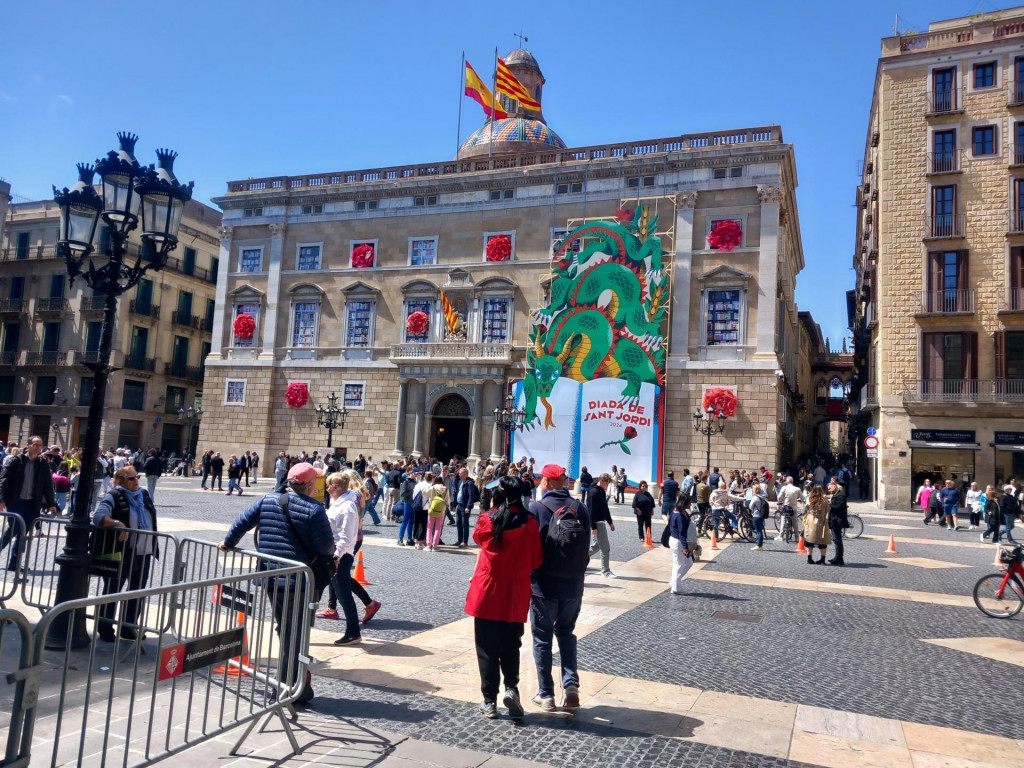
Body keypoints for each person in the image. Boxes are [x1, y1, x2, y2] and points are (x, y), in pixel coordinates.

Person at [218, 462, 333, 705]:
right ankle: (284, 687)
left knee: (287, 627)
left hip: (271, 577)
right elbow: (326, 546)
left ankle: (296, 684)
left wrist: (228, 542)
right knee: (295, 631)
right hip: (299, 579)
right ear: (310, 485)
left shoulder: (267, 500)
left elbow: (242, 522)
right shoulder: (314, 508)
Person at [465, 475, 543, 720]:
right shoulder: (530, 524)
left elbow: (478, 539)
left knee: (486, 648)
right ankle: (512, 688)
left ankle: (489, 701)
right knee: (512, 645)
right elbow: (536, 560)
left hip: (488, 592)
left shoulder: (488, 520)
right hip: (515, 594)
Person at [528, 464, 590, 713]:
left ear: (545, 481)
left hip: (544, 584)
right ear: (563, 482)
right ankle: (571, 685)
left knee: (542, 639)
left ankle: (546, 694)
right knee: (566, 633)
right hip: (573, 584)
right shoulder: (580, 508)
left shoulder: (537, 509)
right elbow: (586, 544)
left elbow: (532, 549)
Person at [93, 466, 159, 641]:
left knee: (137, 591)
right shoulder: (114, 495)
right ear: (121, 481)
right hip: (122, 552)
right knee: (113, 590)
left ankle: (128, 627)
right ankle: (105, 627)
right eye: (131, 478)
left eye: (137, 477)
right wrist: (118, 523)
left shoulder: (143, 496)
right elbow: (99, 517)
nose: (136, 480)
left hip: (143, 552)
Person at [0, 435, 57, 571]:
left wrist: (51, 503)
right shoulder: (16, 460)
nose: (38, 448)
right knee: (13, 530)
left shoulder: (42, 464)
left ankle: (15, 563)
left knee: (23, 534)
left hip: (32, 504)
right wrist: (1, 499)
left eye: (40, 445)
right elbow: (3, 480)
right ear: (28, 445)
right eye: (35, 445)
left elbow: (47, 485)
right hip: (16, 502)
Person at [323, 472, 362, 645]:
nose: (328, 488)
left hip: (341, 555)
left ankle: (353, 632)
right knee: (342, 592)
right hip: (335, 553)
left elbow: (345, 536)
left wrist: (336, 556)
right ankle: (353, 631)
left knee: (344, 594)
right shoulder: (339, 503)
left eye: (331, 486)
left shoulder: (347, 507)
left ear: (338, 488)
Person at [588, 473, 615, 578]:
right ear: (602, 481)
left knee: (596, 546)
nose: (607, 486)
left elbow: (605, 508)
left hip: (601, 521)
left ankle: (580, 558)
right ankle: (605, 571)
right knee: (605, 547)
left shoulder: (601, 492)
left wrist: (610, 522)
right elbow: (590, 511)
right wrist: (593, 527)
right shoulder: (593, 492)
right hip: (597, 523)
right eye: (607, 484)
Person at [668, 497, 698, 594]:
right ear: (684, 504)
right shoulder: (680, 516)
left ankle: (674, 582)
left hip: (674, 540)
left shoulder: (675, 512)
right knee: (679, 564)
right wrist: (685, 547)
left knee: (686, 562)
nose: (690, 505)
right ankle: (676, 587)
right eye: (688, 503)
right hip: (678, 542)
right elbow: (682, 533)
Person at [803, 484, 832, 565]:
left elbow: (806, 508)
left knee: (809, 540)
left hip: (811, 520)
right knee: (822, 541)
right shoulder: (824, 500)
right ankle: (822, 560)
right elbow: (828, 509)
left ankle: (809, 558)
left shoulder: (810, 498)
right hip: (821, 521)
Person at [455, 467, 479, 548]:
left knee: (465, 523)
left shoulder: (469, 483)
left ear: (465, 474)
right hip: (459, 505)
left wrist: (468, 507)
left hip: (465, 506)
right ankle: (459, 540)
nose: (459, 474)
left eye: (461, 473)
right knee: (458, 523)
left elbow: (471, 495)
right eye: (459, 473)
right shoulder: (460, 482)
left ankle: (465, 541)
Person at [826, 479, 848, 565]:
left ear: (834, 486)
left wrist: (829, 505)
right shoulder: (835, 495)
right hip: (834, 520)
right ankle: (837, 557)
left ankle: (839, 558)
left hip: (837, 520)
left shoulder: (840, 495)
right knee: (836, 539)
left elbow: (838, 507)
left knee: (838, 540)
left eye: (830, 488)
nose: (829, 490)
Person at [425, 473, 448, 551]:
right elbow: (448, 501)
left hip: (432, 509)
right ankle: (435, 545)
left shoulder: (433, 488)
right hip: (441, 510)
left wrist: (431, 486)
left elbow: (424, 492)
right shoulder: (446, 489)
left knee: (429, 528)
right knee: (438, 528)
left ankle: (429, 545)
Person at [775, 476, 802, 542]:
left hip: (786, 507)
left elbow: (779, 497)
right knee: (795, 522)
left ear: (787, 482)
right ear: (792, 481)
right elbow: (802, 498)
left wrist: (780, 501)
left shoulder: (784, 488)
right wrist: (798, 499)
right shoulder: (797, 489)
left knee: (783, 520)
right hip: (794, 507)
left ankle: (781, 536)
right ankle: (797, 537)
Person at [749, 483, 769, 551]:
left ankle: (759, 545)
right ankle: (760, 545)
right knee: (760, 530)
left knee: (758, 531)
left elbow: (750, 507)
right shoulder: (763, 496)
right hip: (762, 515)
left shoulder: (755, 497)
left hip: (756, 515)